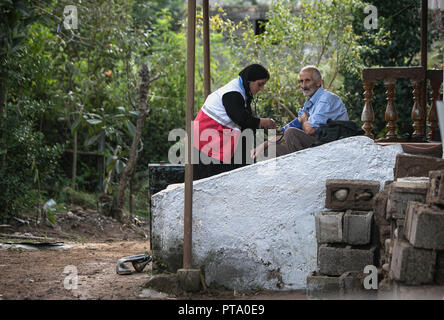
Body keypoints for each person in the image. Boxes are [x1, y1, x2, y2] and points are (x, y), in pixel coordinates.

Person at [193, 64, 277, 180]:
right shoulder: (232, 93)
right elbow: (242, 119)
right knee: (208, 182)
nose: (261, 88)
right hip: (205, 143)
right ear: (249, 81)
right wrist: (263, 122)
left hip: (214, 140)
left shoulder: (241, 92)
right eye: (260, 84)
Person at [251, 65, 348, 159]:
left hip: (332, 146)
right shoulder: (309, 103)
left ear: (319, 82)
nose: (303, 86)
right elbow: (285, 132)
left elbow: (309, 130)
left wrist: (304, 119)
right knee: (270, 151)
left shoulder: (326, 99)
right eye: (301, 81)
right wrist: (263, 145)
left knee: (291, 134)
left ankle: (304, 172)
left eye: (307, 81)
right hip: (317, 145)